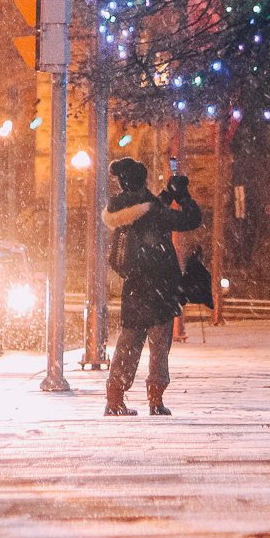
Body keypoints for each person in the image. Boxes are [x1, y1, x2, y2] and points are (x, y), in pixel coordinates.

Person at [102, 156, 202, 416]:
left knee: (128, 344)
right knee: (159, 346)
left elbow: (149, 207)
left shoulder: (122, 209)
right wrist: (183, 195)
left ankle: (115, 399)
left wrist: (167, 194)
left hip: (134, 288)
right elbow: (190, 220)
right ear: (140, 181)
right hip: (160, 287)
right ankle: (155, 401)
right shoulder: (154, 214)